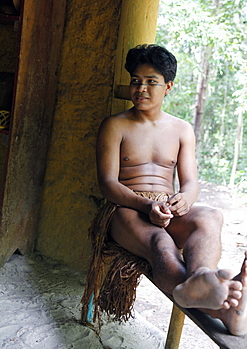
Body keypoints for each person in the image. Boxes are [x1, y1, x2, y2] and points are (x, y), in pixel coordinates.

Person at [83, 44, 247, 336]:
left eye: (151, 82)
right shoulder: (115, 126)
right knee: (161, 243)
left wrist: (184, 199)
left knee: (210, 216)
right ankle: (220, 306)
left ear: (168, 87)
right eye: (136, 80)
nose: (141, 88)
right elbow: (108, 184)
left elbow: (191, 182)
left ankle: (202, 280)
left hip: (167, 206)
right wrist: (146, 207)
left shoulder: (181, 129)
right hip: (126, 209)